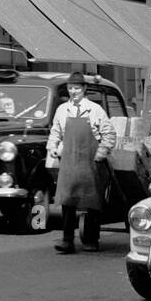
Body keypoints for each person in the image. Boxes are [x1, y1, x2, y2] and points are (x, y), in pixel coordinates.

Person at [47, 71, 117, 253]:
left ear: (84, 89)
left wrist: (100, 153)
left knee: (92, 202)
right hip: (69, 163)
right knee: (67, 202)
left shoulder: (95, 110)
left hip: (90, 163)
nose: (73, 91)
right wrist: (52, 146)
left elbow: (109, 134)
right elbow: (55, 132)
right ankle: (67, 241)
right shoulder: (62, 110)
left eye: (77, 88)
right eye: (70, 88)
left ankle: (92, 240)